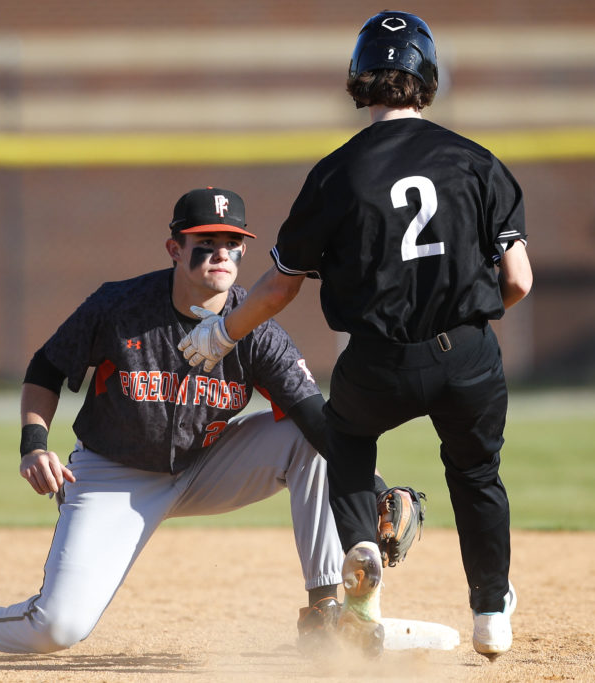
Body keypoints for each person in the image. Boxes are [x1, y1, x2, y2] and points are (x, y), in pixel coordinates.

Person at [0, 187, 413, 661]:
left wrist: (371, 486)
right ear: (175, 249)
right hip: (114, 474)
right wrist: (33, 443)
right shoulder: (120, 307)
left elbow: (314, 419)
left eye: (233, 242)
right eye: (205, 241)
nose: (221, 253)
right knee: (58, 628)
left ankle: (323, 610)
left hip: (206, 465)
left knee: (307, 437)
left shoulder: (256, 329)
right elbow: (46, 367)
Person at [178, 11, 533, 660]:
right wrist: (470, 320)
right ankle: (490, 611)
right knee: (476, 470)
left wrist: (222, 333)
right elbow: (519, 280)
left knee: (344, 443)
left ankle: (363, 574)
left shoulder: (335, 174)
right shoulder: (479, 163)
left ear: (358, 82)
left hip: (378, 359)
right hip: (468, 352)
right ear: (428, 79)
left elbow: (281, 287)